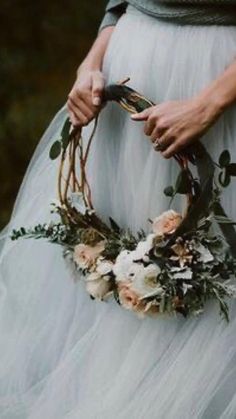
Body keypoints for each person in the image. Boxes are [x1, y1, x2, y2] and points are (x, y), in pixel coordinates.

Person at [1, 1, 236, 417]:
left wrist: (208, 102)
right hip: (126, 94)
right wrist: (91, 66)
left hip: (215, 84)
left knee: (212, 283)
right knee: (135, 278)